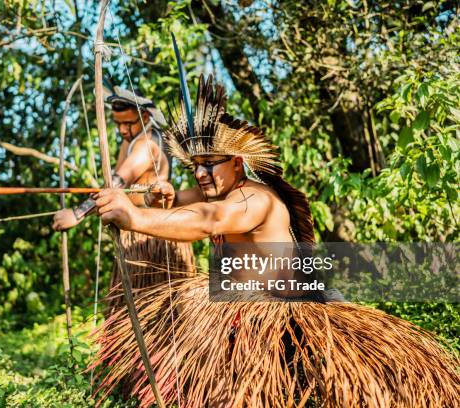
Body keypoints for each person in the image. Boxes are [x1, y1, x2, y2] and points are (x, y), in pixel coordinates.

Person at [90, 74, 459, 407]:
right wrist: (161, 196)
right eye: (195, 166)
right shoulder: (216, 189)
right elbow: (182, 201)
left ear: (237, 162)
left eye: (210, 163)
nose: (201, 173)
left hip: (292, 312)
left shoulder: (251, 199)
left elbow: (209, 220)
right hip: (248, 312)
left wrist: (135, 217)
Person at [52, 86, 194, 310]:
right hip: (135, 235)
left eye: (128, 123)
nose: (122, 130)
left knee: (156, 312)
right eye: (118, 124)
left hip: (152, 235)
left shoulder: (147, 143)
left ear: (145, 116)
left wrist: (77, 214)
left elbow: (117, 182)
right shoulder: (132, 140)